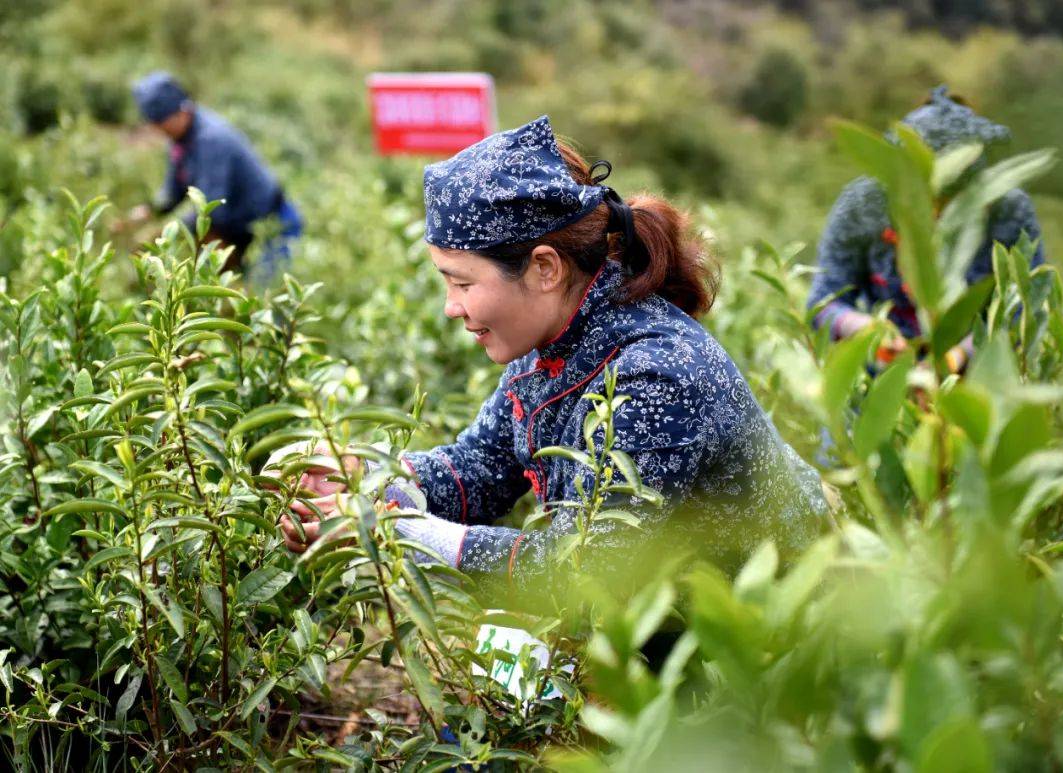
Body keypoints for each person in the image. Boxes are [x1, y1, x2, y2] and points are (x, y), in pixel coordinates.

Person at [274, 116, 826, 600]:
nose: (451, 307)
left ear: (544, 268)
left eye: (462, 283)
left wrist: (384, 531)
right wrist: (364, 479)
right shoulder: (551, 342)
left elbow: (585, 573)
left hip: (773, 650)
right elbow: (481, 470)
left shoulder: (656, 372)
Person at [807, 85, 1046, 374]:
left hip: (981, 377)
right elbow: (823, 303)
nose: (935, 214)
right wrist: (872, 331)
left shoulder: (1008, 210)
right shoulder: (863, 205)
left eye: (950, 203)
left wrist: (957, 356)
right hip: (885, 376)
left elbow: (1026, 308)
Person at [128, 71, 303, 278]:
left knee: (265, 298)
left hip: (272, 226)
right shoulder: (180, 139)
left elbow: (211, 209)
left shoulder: (211, 140)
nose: (158, 132)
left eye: (161, 124)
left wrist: (167, 234)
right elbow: (175, 189)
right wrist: (150, 211)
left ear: (180, 112)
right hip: (240, 232)